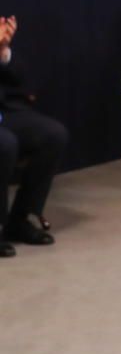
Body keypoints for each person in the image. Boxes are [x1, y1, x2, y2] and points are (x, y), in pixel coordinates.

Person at [0, 15, 69, 257]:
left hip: (5, 111)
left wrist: (3, 50)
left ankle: (19, 219)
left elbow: (22, 81)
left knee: (52, 135)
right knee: (4, 145)